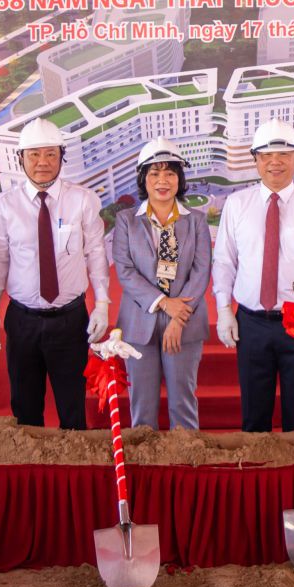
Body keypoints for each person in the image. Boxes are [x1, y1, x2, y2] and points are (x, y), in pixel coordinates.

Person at [212, 117, 294, 432]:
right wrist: (224, 310)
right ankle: (258, 466)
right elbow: (225, 261)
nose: (275, 162)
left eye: (284, 154)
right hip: (251, 323)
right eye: (267, 155)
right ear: (255, 159)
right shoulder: (236, 204)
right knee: (254, 416)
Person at [0, 117, 110, 429]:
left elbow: (96, 252)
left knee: (72, 406)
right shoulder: (5, 205)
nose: (42, 162)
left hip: (70, 320)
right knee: (25, 407)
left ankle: (74, 461)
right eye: (34, 154)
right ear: (21, 158)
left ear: (61, 157)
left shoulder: (82, 200)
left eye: (50, 154)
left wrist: (102, 304)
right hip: (22, 320)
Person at [112, 138, 211, 429]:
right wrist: (164, 303)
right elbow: (125, 271)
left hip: (185, 322)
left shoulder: (196, 221)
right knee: (142, 406)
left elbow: (201, 271)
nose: (162, 181)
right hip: (139, 322)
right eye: (154, 173)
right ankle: (144, 458)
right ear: (144, 179)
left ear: (180, 178)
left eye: (170, 173)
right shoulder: (127, 221)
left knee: (183, 401)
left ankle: (185, 455)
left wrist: (178, 318)